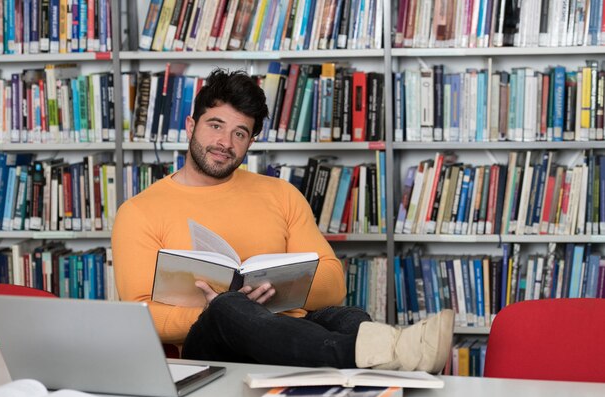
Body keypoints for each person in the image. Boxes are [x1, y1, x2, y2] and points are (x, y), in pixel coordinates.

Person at [112, 68, 455, 373]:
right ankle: (390, 352)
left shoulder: (280, 194)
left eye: (240, 133)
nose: (224, 143)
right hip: (212, 349)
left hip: (288, 335)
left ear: (251, 142)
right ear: (191, 125)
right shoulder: (140, 211)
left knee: (347, 317)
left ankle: (373, 357)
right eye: (215, 126)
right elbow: (142, 314)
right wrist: (226, 310)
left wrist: (270, 296)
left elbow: (333, 281)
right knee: (229, 307)